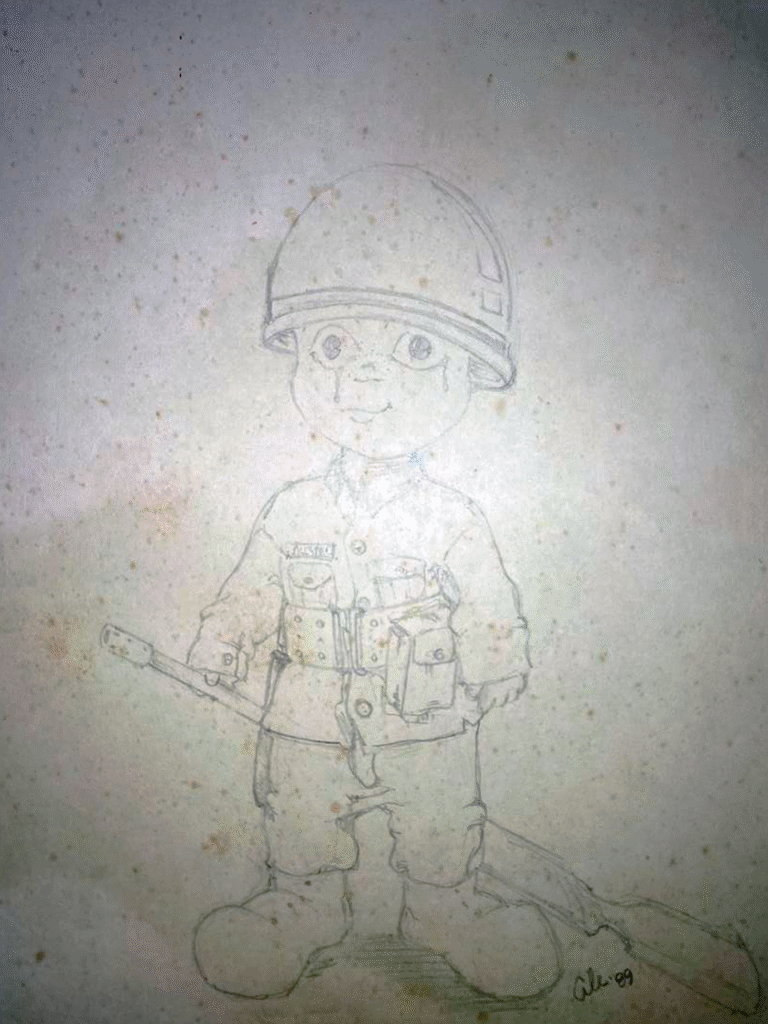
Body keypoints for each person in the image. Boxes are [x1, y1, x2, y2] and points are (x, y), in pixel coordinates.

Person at [188, 165, 561, 1000]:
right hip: (307, 717)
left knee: (439, 825)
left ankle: (449, 908)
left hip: (427, 720)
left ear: (468, 369)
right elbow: (252, 588)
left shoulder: (455, 517)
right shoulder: (290, 510)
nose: (362, 380)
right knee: (301, 822)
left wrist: (496, 660)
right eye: (332, 346)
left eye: (416, 349)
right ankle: (299, 908)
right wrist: (221, 642)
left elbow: (488, 600)